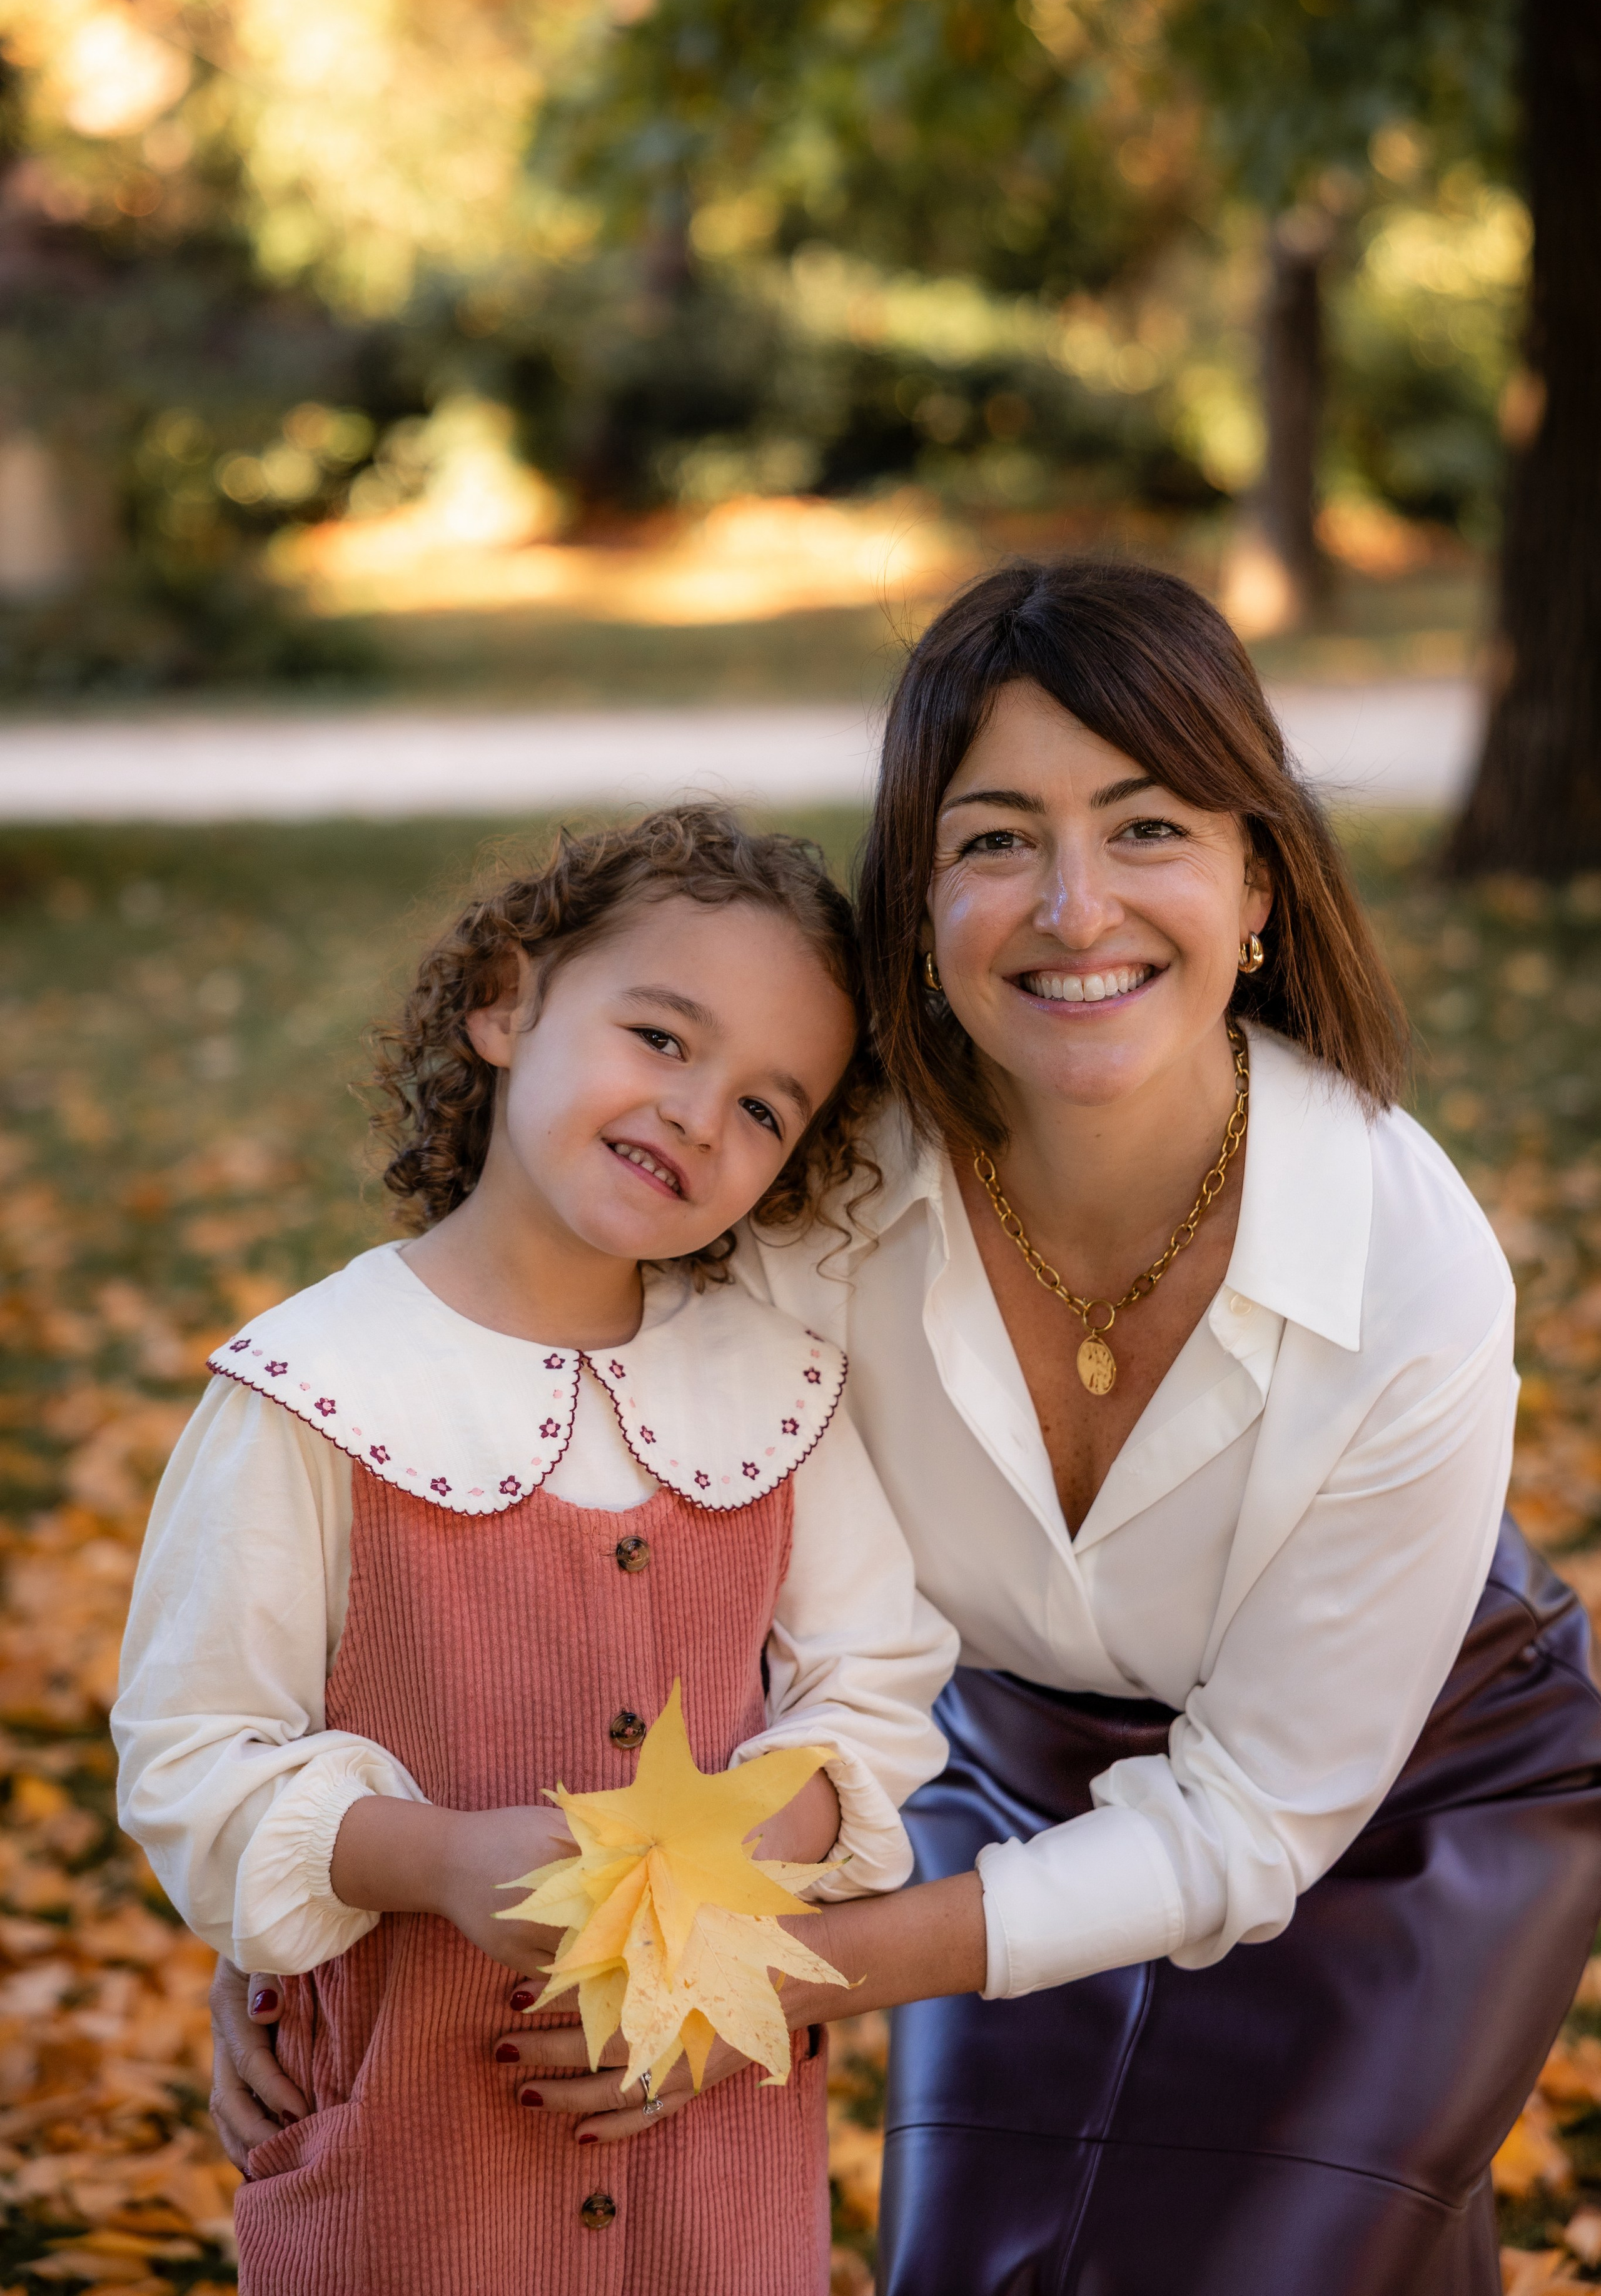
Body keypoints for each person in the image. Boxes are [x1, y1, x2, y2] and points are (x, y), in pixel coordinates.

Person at [213, 562, 1601, 2296]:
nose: (1075, 909)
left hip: (1394, 1795)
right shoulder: (801, 1184)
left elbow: (1253, 1819)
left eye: (1149, 828)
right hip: (999, 1769)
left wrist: (771, 1976)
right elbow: (577, 1516)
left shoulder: (1404, 1256)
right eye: (996, 839)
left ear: (1258, 877)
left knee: (1279, 2261)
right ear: (919, 905)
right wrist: (326, 1905)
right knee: (984, 2269)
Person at [113, 806, 957, 2296]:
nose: (698, 1115)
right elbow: (192, 1761)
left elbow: (878, 1696)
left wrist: (720, 1875)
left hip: (710, 2153)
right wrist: (434, 1860)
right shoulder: (311, 1392)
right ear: (504, 1003)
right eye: (661, 1037)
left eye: (767, 1109)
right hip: (416, 2159)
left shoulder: (782, 1394)